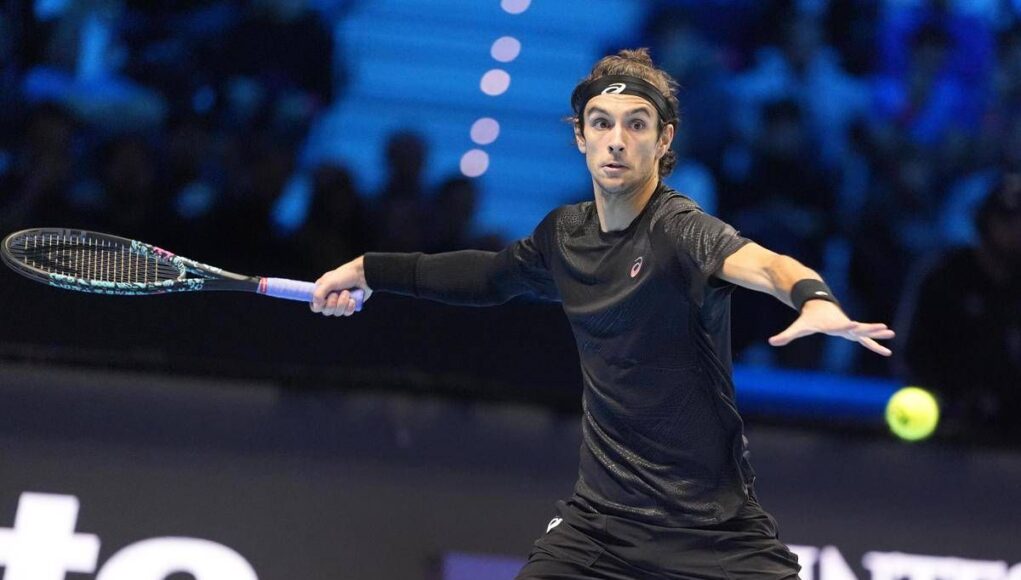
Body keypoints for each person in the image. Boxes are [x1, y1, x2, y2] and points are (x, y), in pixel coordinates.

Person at [310, 49, 894, 579]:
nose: (617, 140)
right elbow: (488, 278)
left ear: (664, 140)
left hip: (712, 533)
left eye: (636, 124)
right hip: (599, 529)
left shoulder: (680, 229)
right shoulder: (565, 236)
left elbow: (767, 265)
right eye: (601, 123)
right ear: (580, 136)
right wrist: (369, 269)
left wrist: (814, 298)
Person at [901, 174, 1021, 444]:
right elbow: (911, 352)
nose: (1017, 231)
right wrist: (949, 400)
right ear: (986, 222)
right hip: (946, 426)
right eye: (1009, 221)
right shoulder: (946, 277)